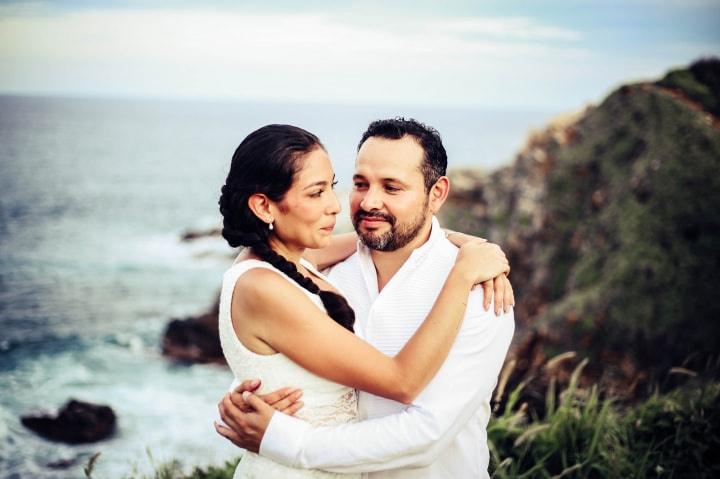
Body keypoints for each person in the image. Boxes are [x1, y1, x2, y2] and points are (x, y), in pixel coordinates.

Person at [214, 123, 513, 478]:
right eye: (359, 184)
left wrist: (280, 437)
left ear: (436, 194)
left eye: (392, 187)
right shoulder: (320, 273)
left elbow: (426, 435)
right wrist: (248, 392)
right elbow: (272, 342)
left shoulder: (480, 291)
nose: (368, 202)